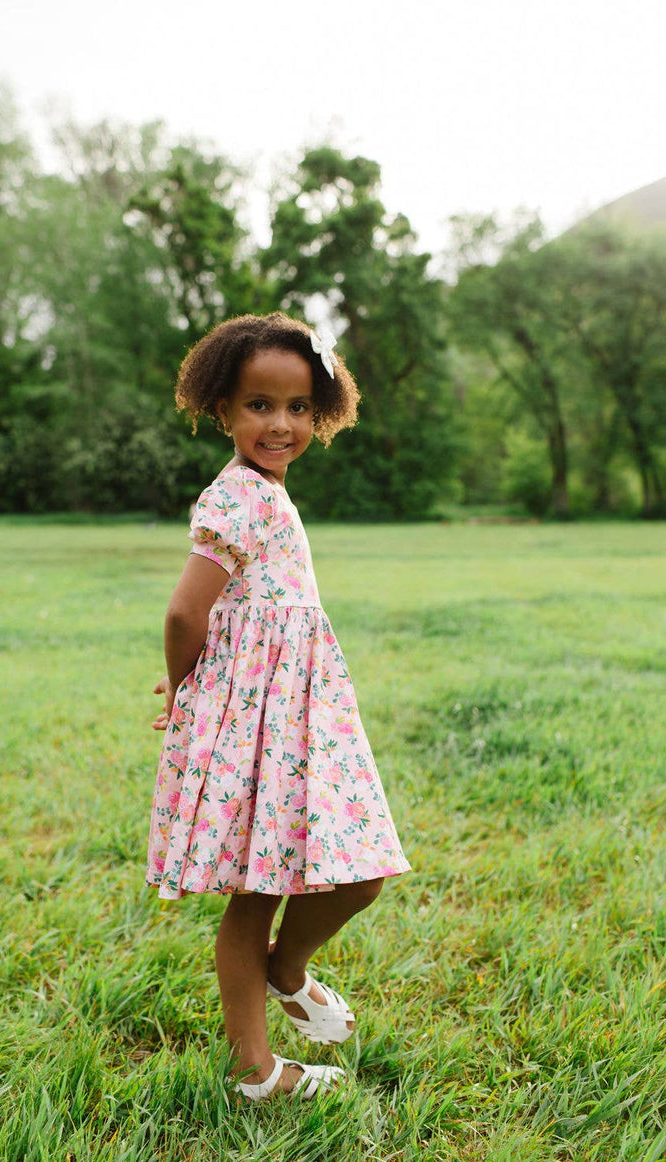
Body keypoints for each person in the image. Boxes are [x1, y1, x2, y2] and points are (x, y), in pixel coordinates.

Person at [147, 312, 411, 1101]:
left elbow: (231, 615)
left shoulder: (264, 495)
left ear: (321, 411)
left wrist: (203, 668)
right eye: (259, 405)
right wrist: (189, 682)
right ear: (222, 408)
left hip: (296, 716)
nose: (280, 423)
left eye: (297, 406)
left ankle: (285, 969)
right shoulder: (237, 499)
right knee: (257, 893)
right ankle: (256, 1070)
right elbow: (184, 613)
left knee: (358, 875)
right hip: (260, 723)